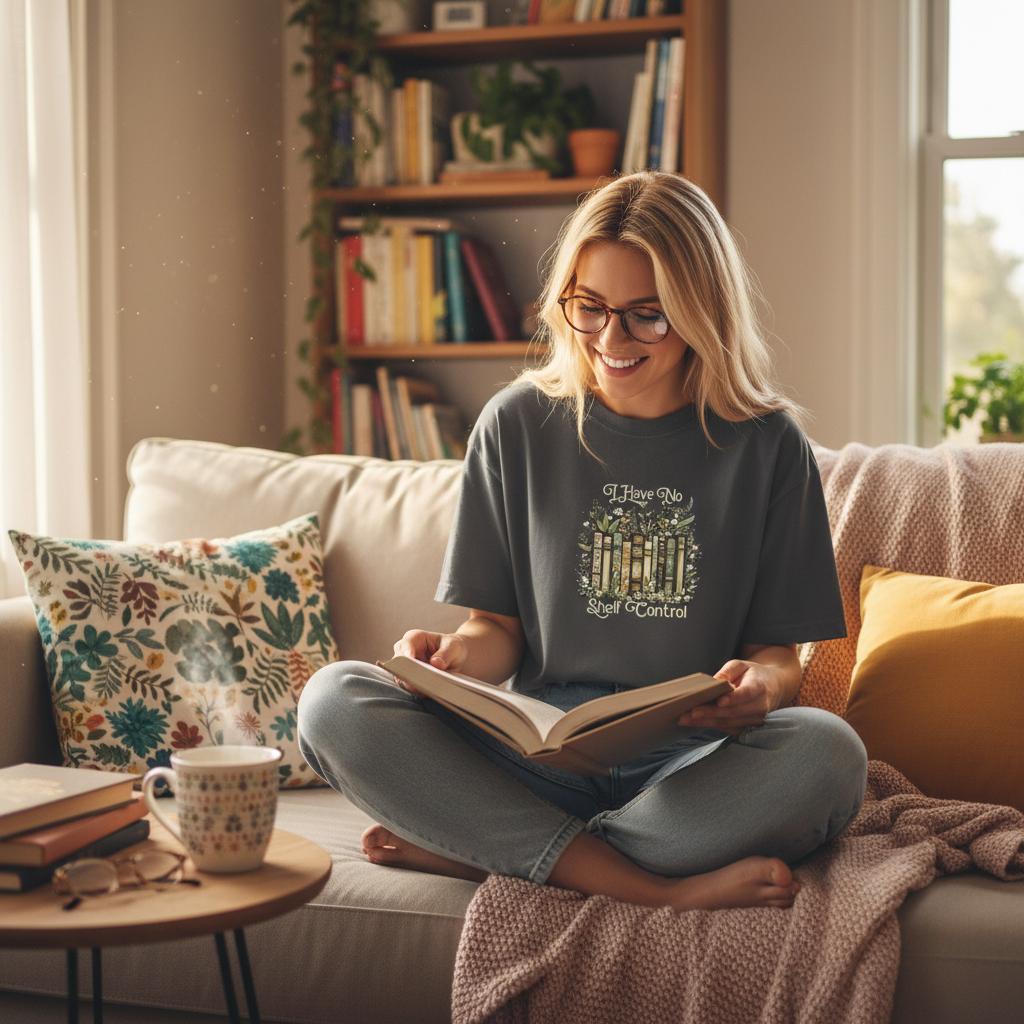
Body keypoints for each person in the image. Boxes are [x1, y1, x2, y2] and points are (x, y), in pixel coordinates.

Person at [297, 170, 868, 912]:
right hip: (537, 757)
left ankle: (496, 850)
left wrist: (760, 690)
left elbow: (779, 660)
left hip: (692, 768)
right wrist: (450, 661)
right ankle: (648, 885)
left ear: (701, 312)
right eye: (589, 307)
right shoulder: (514, 425)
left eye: (645, 316)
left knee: (829, 755)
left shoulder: (767, 446)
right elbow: (494, 633)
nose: (609, 339)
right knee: (333, 700)